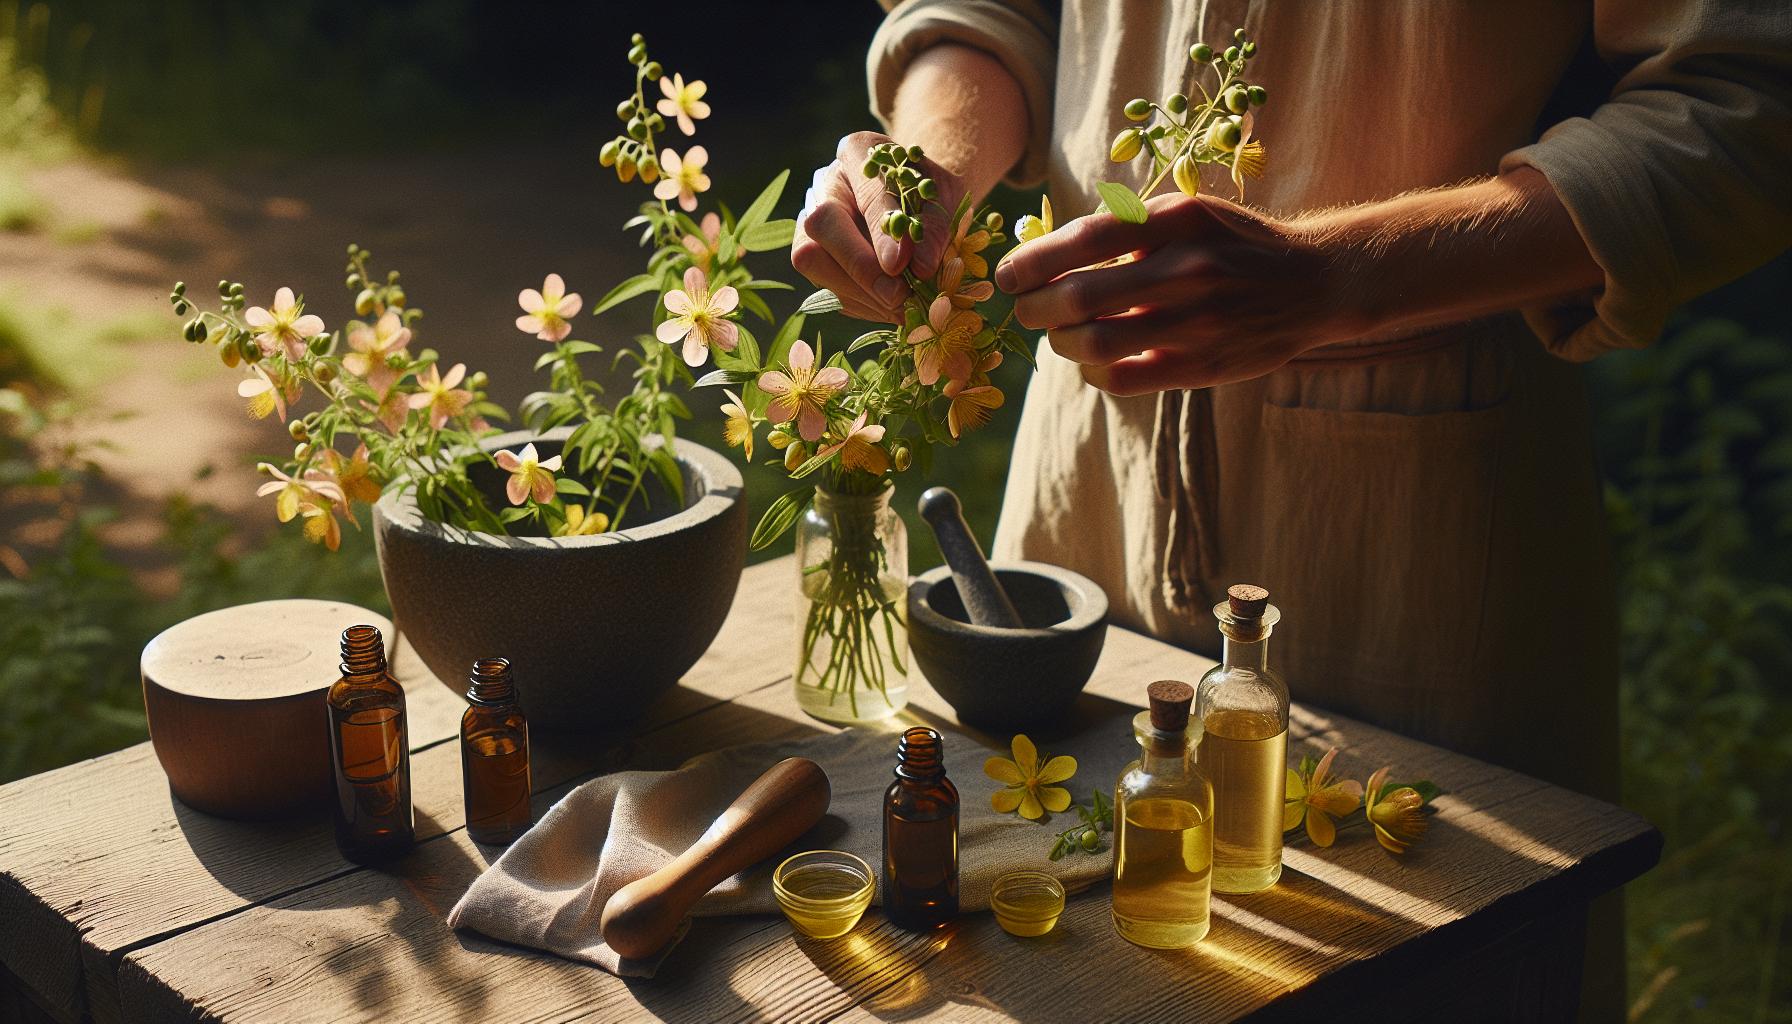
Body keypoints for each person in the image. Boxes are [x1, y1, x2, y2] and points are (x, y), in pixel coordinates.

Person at [791, 2, 1790, 1017]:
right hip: (1085, 473)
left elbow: (1751, 99)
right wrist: (923, 174)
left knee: (1424, 959)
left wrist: (1337, 275)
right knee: (1054, 966)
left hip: (1410, 528)